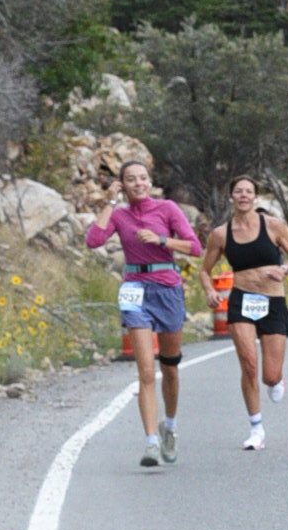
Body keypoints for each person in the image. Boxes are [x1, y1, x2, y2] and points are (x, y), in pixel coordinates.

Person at [85, 157, 204, 469]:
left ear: (149, 182)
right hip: (135, 289)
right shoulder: (119, 214)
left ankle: (169, 427)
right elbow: (93, 240)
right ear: (122, 185)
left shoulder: (167, 209)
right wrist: (110, 201)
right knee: (146, 372)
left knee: (170, 368)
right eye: (131, 179)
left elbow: (195, 247)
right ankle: (151, 442)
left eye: (142, 178)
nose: (138, 183)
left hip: (167, 288)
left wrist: (161, 239)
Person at [203, 178, 288, 451]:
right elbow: (204, 270)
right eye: (238, 191)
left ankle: (276, 379)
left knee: (269, 376)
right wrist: (210, 290)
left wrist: (284, 270)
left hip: (272, 301)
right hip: (242, 301)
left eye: (248, 191)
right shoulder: (221, 234)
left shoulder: (274, 226)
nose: (243, 195)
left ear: (255, 197)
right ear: (231, 197)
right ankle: (256, 428)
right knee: (249, 363)